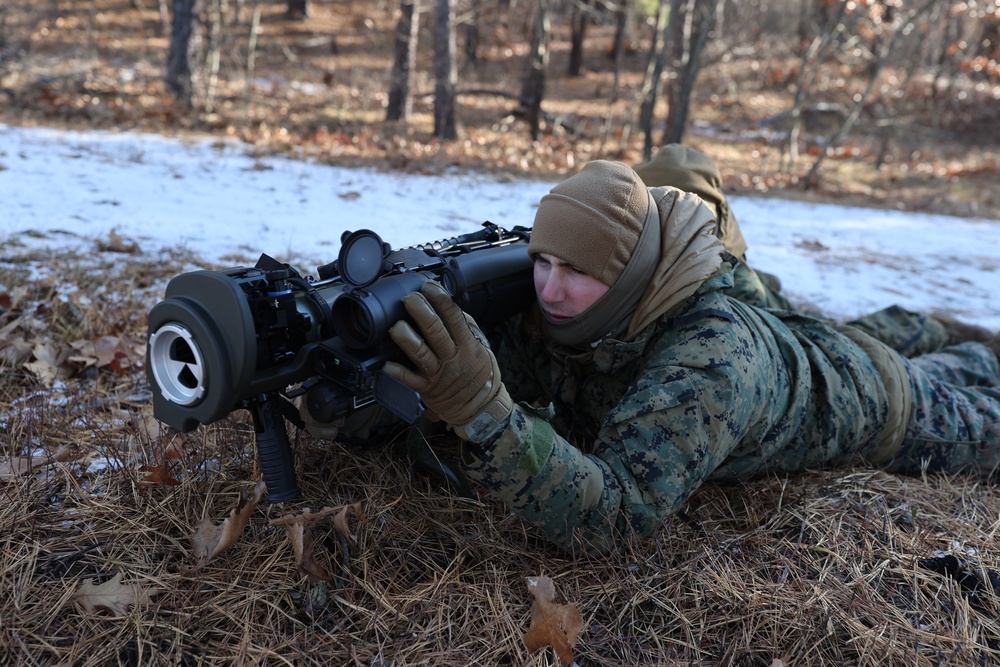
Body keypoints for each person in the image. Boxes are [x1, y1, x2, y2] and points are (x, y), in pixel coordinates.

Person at [373, 159, 1000, 556]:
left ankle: (970, 350)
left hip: (872, 402)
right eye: (543, 261)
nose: (551, 290)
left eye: (579, 270)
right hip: (808, 348)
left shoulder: (710, 355)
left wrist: (485, 415)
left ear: (629, 277)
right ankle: (965, 348)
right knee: (948, 360)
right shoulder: (562, 308)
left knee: (974, 415)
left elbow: (619, 517)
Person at [632, 143, 993, 357]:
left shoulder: (726, 277)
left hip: (800, 339)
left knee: (859, 340)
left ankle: (956, 335)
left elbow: (791, 340)